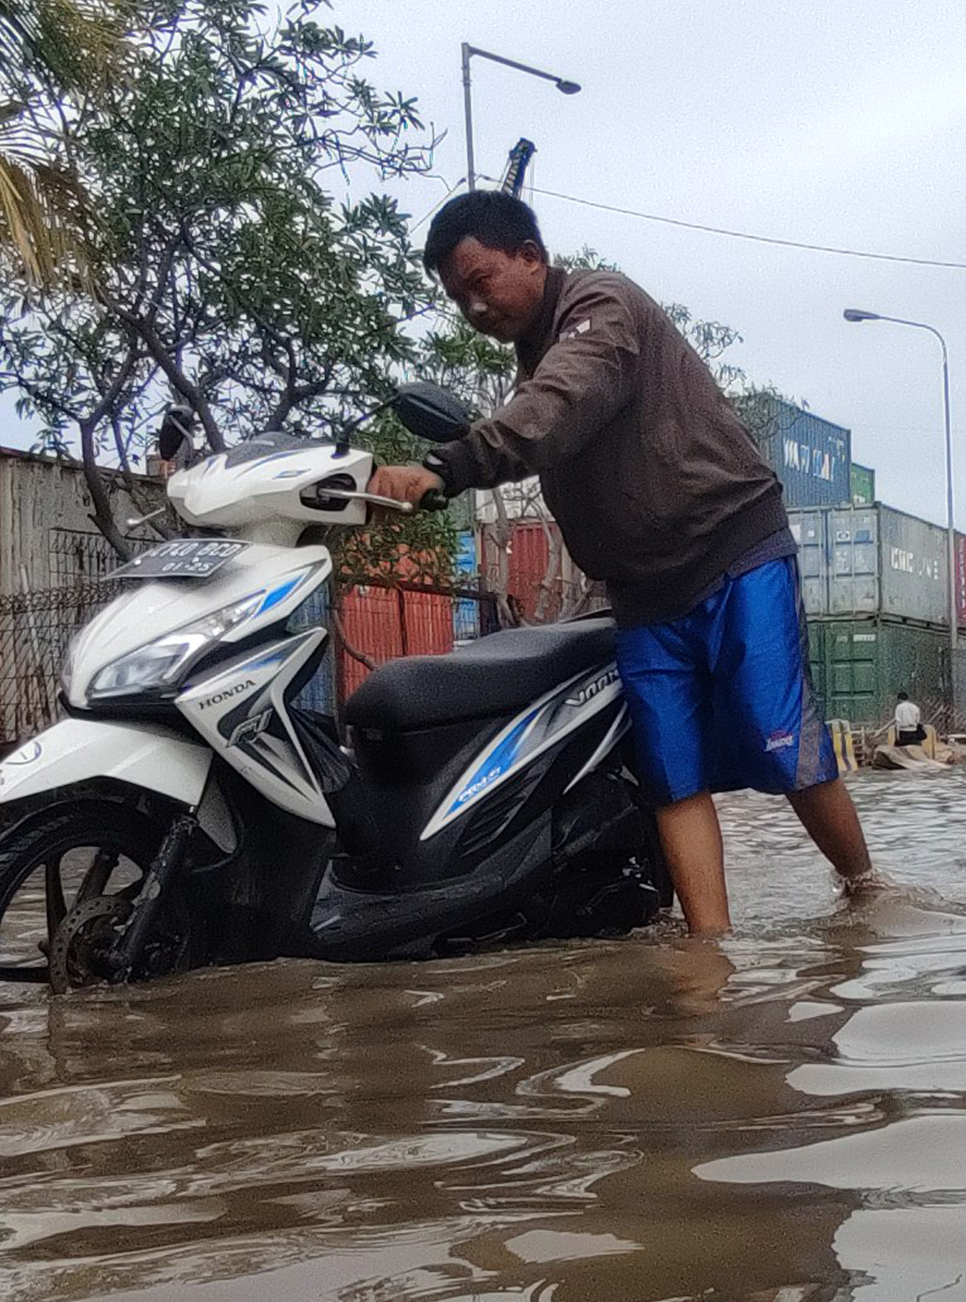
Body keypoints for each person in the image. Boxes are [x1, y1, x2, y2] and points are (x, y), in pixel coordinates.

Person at [370, 192, 878, 933]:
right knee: (672, 777)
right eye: (458, 298)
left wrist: (447, 467)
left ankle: (867, 893)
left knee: (783, 745)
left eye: (481, 282)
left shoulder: (600, 308)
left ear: (531, 257)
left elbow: (560, 403)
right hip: (642, 595)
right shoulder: (533, 361)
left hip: (733, 551)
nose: (473, 307)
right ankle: (708, 953)